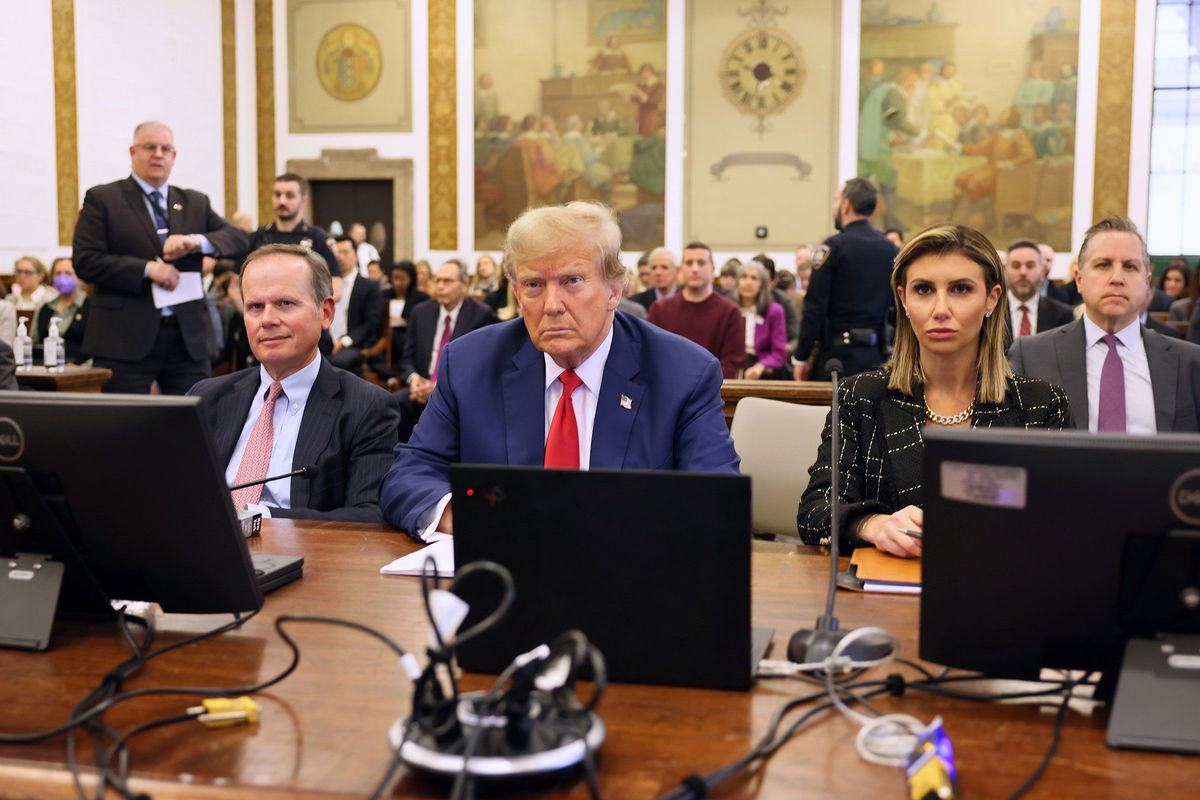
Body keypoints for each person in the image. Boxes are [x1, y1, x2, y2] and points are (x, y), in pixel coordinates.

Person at [380, 202, 739, 539]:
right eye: (534, 285)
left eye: (573, 281)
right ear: (518, 295)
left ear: (615, 290)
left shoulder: (683, 374)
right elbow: (411, 474)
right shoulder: (471, 363)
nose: (552, 305)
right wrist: (468, 518)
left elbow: (717, 500)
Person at [798, 224, 1072, 557]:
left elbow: (1064, 525)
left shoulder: (1040, 405)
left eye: (960, 289)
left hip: (1000, 591)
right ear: (903, 298)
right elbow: (815, 512)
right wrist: (871, 525)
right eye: (924, 290)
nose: (940, 309)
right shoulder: (861, 397)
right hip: (881, 597)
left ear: (992, 298)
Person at [187, 244, 398, 522]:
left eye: (285, 303)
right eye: (255, 307)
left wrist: (259, 518)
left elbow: (369, 516)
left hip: (304, 559)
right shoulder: (206, 397)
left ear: (325, 313)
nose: (268, 320)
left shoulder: (366, 407)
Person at [73, 121, 248, 394]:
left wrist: (196, 242)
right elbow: (85, 260)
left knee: (194, 425)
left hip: (186, 338)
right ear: (133, 152)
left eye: (165, 148)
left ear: (173, 156)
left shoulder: (194, 202)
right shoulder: (104, 198)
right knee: (124, 428)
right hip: (125, 338)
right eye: (149, 147)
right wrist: (147, 269)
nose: (158, 154)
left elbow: (239, 239)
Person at [1009, 217, 1200, 433]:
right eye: (1103, 265)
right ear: (1079, 280)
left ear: (1147, 283)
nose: (1117, 278)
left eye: (1130, 266)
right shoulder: (1031, 355)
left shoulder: (1189, 362)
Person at [795, 178, 898, 381]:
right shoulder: (891, 250)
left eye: (835, 201)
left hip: (837, 361)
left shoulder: (833, 248)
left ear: (846, 205)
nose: (834, 207)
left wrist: (801, 357)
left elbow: (814, 308)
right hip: (878, 359)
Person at [394, 259, 497, 442]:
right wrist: (414, 379)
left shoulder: (481, 314)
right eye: (438, 280)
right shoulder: (421, 312)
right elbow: (407, 358)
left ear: (465, 284)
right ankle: (400, 462)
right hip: (420, 389)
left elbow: (482, 367)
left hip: (458, 394)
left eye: (447, 281)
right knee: (391, 405)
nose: (440, 286)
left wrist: (439, 387)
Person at [647, 242, 745, 378]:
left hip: (713, 391)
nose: (695, 268)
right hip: (669, 389)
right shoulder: (660, 309)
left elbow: (731, 364)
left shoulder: (730, 312)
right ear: (681, 270)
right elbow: (651, 357)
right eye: (689, 263)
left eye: (701, 263)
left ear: (712, 269)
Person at [247, 173, 342, 300]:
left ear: (304, 200)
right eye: (277, 194)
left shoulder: (319, 238)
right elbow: (237, 283)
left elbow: (336, 288)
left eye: (289, 195)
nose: (282, 201)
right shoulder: (258, 237)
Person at [1002, 238, 1074, 346]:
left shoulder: (1062, 315)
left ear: (1042, 271)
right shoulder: (990, 314)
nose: (1023, 272)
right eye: (1016, 266)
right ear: (1005, 271)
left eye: (1030, 266)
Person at [328, 236, 383, 371]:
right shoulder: (325, 284)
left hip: (353, 344)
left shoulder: (369, 286)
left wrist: (344, 342)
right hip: (325, 342)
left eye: (345, 252)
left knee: (331, 363)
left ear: (356, 256)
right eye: (337, 253)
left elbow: (371, 323)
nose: (340, 257)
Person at [734, 261, 788, 380]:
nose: (748, 282)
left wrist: (760, 366)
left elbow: (779, 353)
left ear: (762, 285)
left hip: (762, 367)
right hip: (734, 366)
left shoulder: (774, 311)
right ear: (737, 282)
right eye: (744, 277)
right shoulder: (729, 309)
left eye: (754, 278)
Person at [31, 257, 90, 363]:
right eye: (58, 273)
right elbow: (33, 341)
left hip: (80, 369)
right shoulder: (45, 307)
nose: (62, 277)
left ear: (80, 277)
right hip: (45, 365)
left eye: (68, 273)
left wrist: (82, 367)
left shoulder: (90, 307)